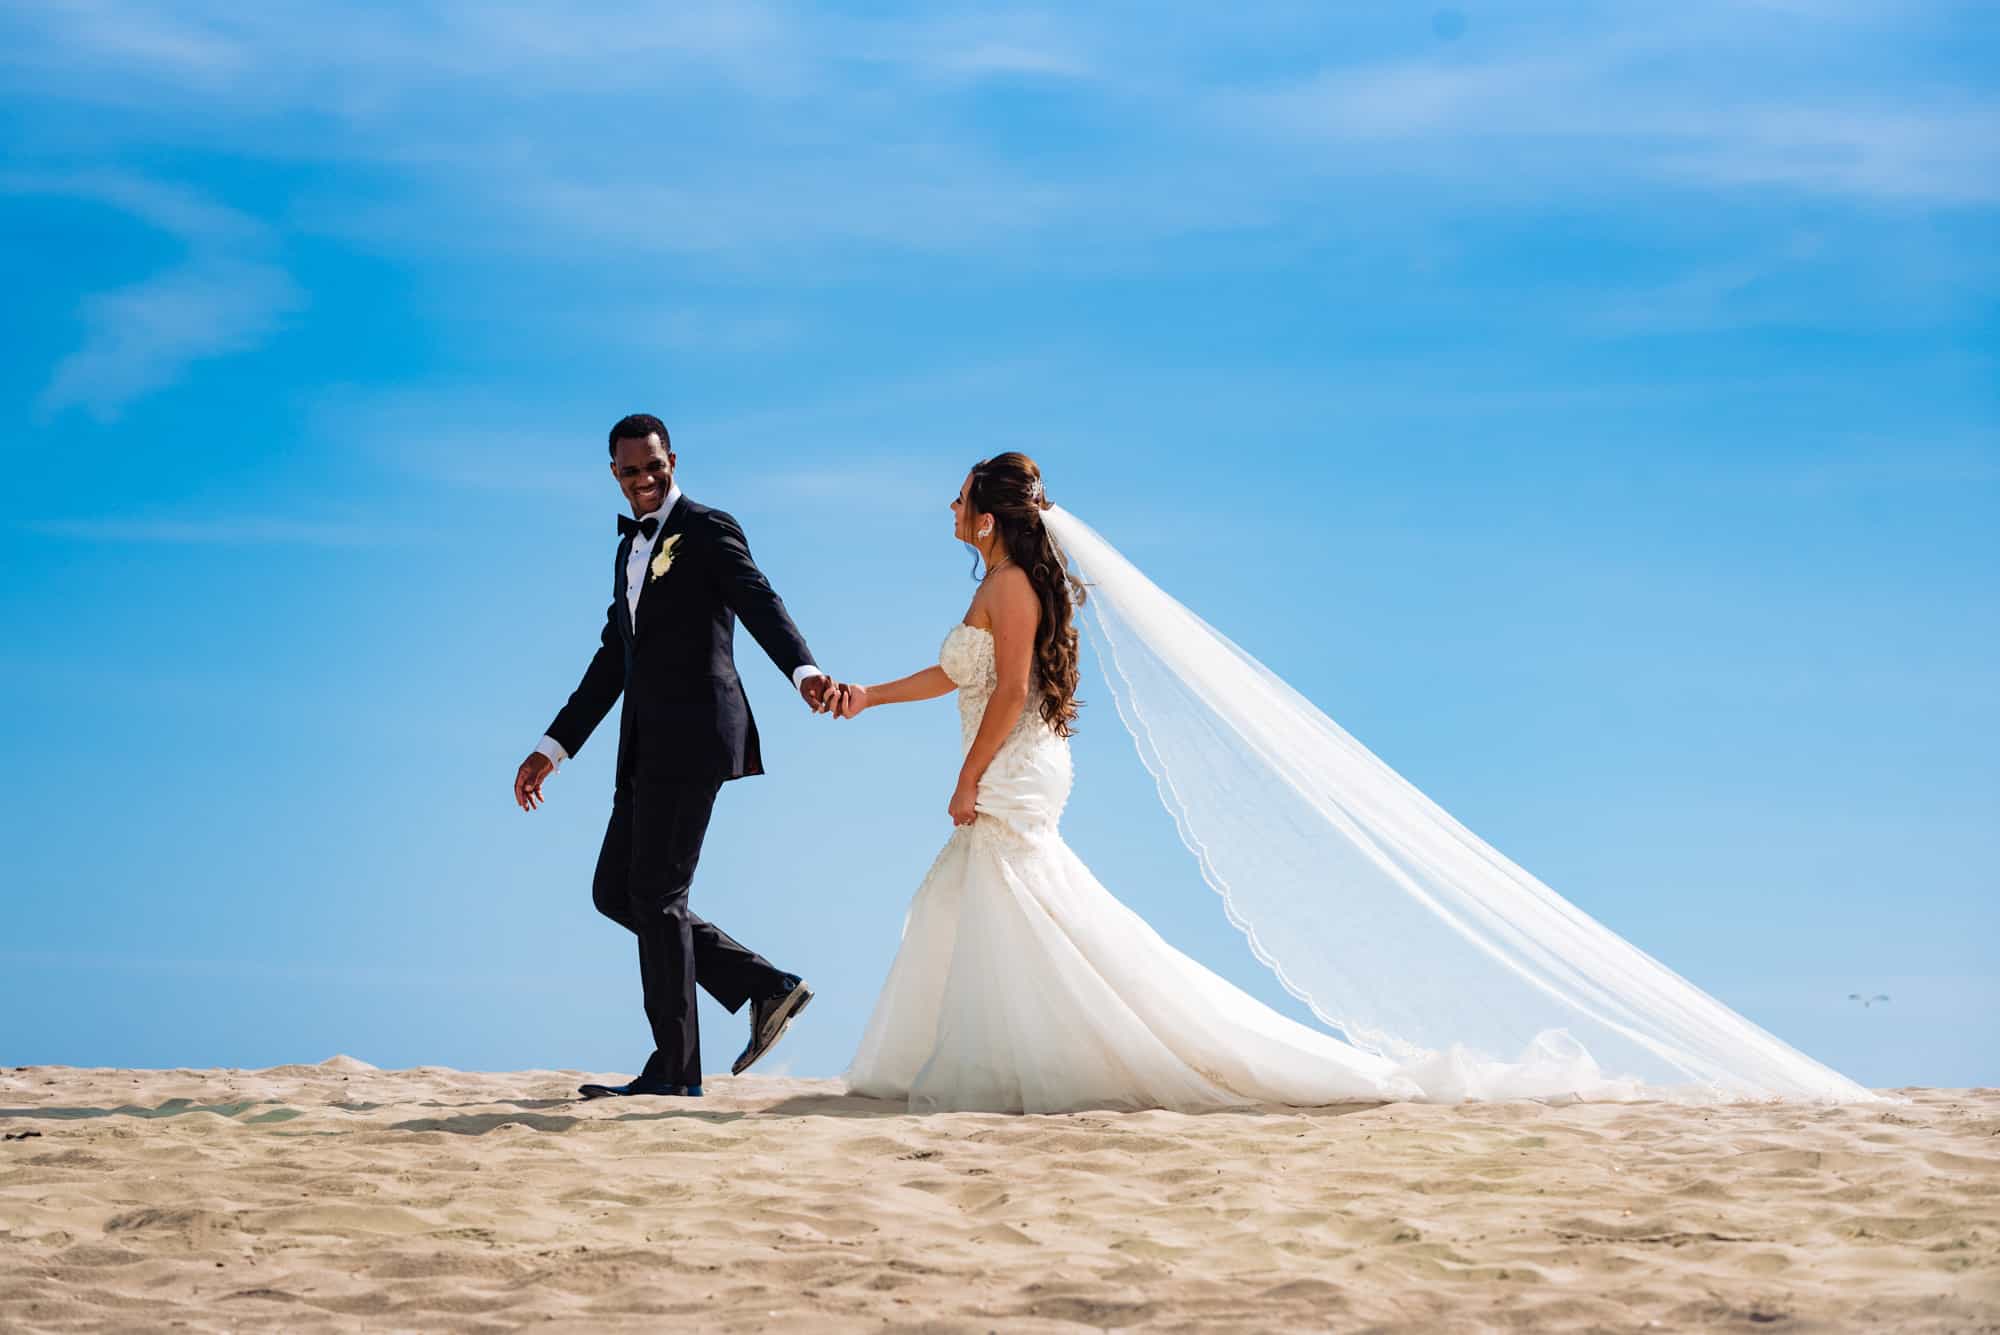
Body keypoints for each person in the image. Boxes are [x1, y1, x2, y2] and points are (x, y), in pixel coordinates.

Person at [830, 452, 1881, 1113]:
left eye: (959, 494)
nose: (948, 504)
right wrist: (868, 698)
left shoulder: (1012, 585)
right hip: (1011, 758)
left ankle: (1080, 1059)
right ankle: (1010, 1062)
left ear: (989, 511)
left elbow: (1008, 691)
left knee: (1020, 902)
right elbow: (960, 675)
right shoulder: (994, 584)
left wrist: (966, 775)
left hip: (1014, 763)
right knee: (1001, 905)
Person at [513, 414, 825, 1098]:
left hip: (697, 735)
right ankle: (763, 985)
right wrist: (552, 747)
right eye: (631, 471)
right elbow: (611, 662)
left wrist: (802, 671)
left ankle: (675, 1072)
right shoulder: (626, 552)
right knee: (616, 891)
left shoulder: (708, 528)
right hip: (642, 746)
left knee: (656, 895)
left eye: (655, 466)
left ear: (672, 459)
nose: (646, 480)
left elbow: (759, 600)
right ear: (615, 476)